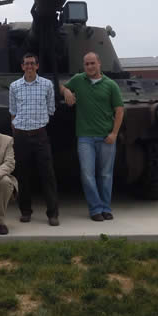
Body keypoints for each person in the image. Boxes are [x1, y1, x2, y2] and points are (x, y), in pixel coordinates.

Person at [60, 52, 124, 221]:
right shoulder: (79, 80)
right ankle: (96, 209)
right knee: (87, 174)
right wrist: (66, 91)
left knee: (105, 175)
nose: (89, 66)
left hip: (106, 137)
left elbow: (119, 110)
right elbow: (61, 85)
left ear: (99, 64)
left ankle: (106, 207)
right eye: (86, 64)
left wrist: (114, 133)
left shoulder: (111, 85)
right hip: (85, 137)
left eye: (92, 63)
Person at [8, 53, 59, 226]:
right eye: (26, 64)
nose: (29, 66)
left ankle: (52, 213)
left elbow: (51, 109)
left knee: (48, 174)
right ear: (22, 66)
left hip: (40, 134)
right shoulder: (14, 86)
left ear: (37, 66)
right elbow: (13, 111)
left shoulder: (47, 85)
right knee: (23, 175)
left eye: (32, 63)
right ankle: (25, 211)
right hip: (21, 135)